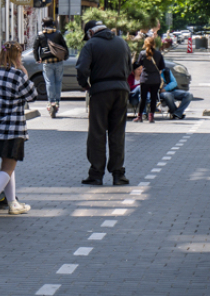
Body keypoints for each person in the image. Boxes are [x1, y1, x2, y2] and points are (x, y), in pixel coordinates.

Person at [0, 41, 38, 217]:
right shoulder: (17, 75)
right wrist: (24, 74)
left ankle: (13, 203)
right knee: (8, 167)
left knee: (7, 166)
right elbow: (32, 96)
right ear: (17, 57)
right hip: (13, 128)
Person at [76, 20, 132, 186]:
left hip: (100, 91)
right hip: (122, 90)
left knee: (97, 133)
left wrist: (84, 84)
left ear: (91, 33)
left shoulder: (91, 45)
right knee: (117, 133)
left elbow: (81, 68)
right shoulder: (122, 43)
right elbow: (129, 66)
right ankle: (118, 174)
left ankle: (96, 174)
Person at [34, 18, 69, 118]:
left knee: (49, 82)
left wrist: (37, 58)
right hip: (58, 61)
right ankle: (57, 102)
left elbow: (35, 48)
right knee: (58, 81)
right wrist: (65, 57)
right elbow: (64, 46)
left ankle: (51, 101)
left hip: (46, 62)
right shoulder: (58, 34)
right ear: (53, 24)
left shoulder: (40, 35)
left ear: (43, 24)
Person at [132, 36, 166, 123]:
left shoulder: (142, 53)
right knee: (153, 98)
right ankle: (151, 116)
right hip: (155, 79)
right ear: (154, 44)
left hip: (145, 79)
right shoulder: (159, 54)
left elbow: (139, 64)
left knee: (143, 98)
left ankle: (140, 116)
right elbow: (162, 67)